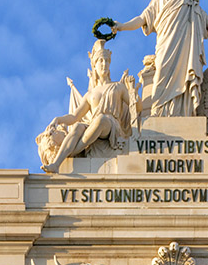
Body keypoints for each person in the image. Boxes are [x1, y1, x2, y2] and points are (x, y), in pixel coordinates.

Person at [40, 40, 138, 173]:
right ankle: (56, 164)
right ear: (95, 65)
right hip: (94, 126)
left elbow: (138, 108)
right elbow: (74, 116)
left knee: (101, 119)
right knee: (78, 126)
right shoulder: (90, 94)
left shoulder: (118, 87)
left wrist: (132, 91)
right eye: (101, 61)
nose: (104, 64)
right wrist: (58, 119)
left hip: (111, 126)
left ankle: (72, 152)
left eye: (107, 61)